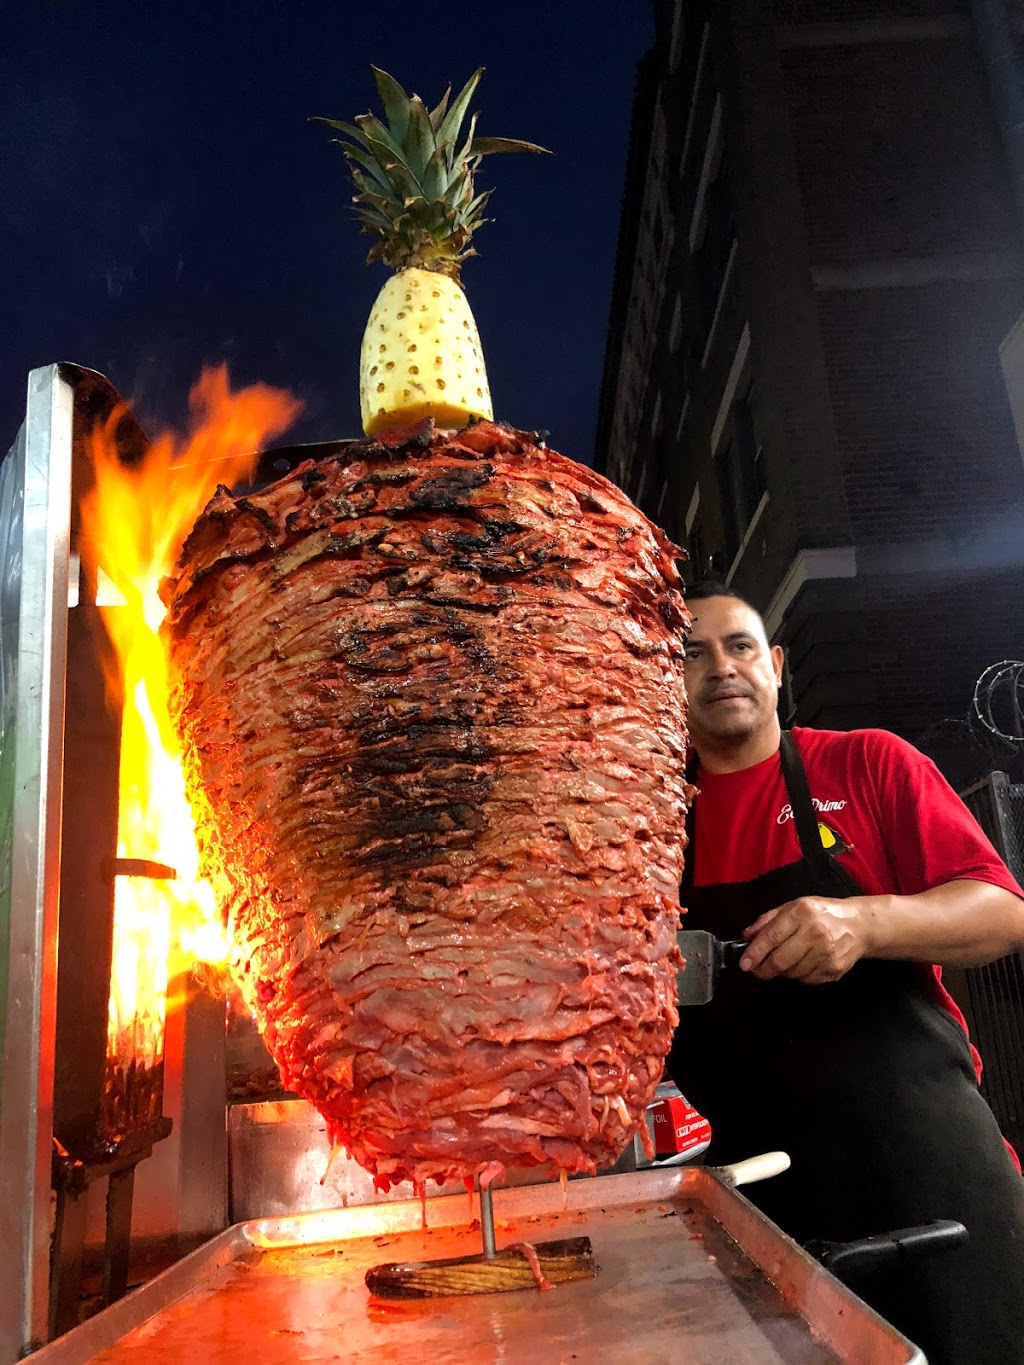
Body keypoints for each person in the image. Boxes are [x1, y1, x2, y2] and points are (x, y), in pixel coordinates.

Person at [669, 580, 1024, 1365]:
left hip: (929, 1170)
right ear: (666, 674)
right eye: (692, 652)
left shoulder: (868, 762)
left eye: (740, 646)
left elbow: (1003, 912)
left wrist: (864, 922)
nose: (720, 667)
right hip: (765, 1200)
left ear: (777, 664)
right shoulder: (656, 827)